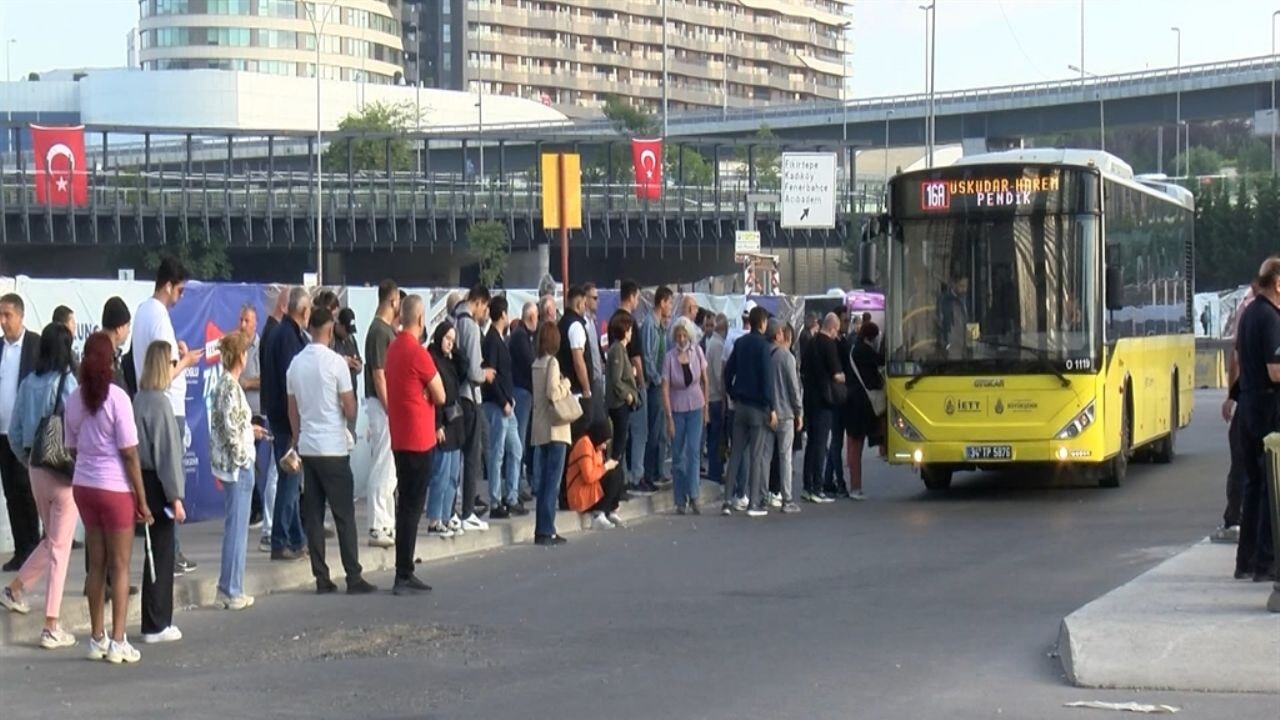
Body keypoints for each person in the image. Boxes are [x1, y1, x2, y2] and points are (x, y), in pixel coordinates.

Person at [66, 332, 153, 664]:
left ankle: (97, 637)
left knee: (97, 564)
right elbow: (130, 453)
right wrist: (141, 500)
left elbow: (71, 448)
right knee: (120, 567)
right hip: (115, 488)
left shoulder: (74, 399)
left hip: (84, 487)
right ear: (111, 362)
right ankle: (119, 641)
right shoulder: (118, 398)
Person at [0, 323, 79, 648]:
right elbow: (78, 426)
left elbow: (16, 433)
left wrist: (29, 460)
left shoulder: (28, 382)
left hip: (35, 468)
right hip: (62, 471)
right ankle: (50, 624)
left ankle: (15, 589)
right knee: (60, 547)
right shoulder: (68, 382)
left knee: (52, 540)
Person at [287, 307, 376, 595]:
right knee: (343, 514)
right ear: (329, 330)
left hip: (309, 448)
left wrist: (297, 437)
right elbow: (350, 406)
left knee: (313, 514)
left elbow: (292, 411)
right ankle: (353, 575)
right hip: (334, 447)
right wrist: (341, 409)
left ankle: (321, 577)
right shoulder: (337, 363)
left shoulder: (295, 365)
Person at [131, 257, 202, 576]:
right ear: (169, 285)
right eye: (181, 290)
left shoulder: (144, 311)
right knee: (170, 481)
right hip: (166, 406)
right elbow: (165, 371)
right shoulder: (158, 317)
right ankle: (169, 552)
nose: (181, 297)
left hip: (152, 402)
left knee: (158, 481)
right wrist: (186, 360)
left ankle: (168, 551)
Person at [385, 295, 446, 595]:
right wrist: (426, 392)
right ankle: (404, 572)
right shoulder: (418, 353)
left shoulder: (393, 349)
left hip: (399, 436)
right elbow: (441, 394)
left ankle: (403, 568)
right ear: (421, 320)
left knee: (404, 505)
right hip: (419, 437)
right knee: (412, 506)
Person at [133, 340, 187, 644]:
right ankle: (158, 623)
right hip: (159, 484)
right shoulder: (161, 404)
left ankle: (152, 620)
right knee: (162, 554)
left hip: (141, 480)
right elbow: (168, 455)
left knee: (151, 553)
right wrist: (175, 497)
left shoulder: (139, 399)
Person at [1232, 257, 1280, 583]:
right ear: (1277, 284)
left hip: (1248, 406)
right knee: (1270, 488)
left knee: (1251, 486)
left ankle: (1245, 560)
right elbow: (1275, 370)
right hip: (1268, 408)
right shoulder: (1271, 318)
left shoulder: (1248, 314)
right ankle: (1265, 563)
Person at [210, 331, 262, 611]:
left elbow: (233, 425)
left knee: (235, 528)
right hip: (238, 467)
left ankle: (228, 587)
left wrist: (249, 430)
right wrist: (245, 459)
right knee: (237, 531)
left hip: (233, 465)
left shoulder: (224, 385)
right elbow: (231, 432)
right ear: (240, 356)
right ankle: (232, 588)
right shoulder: (230, 387)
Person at [262, 287, 311, 561]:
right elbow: (291, 383)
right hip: (286, 419)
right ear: (303, 311)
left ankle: (296, 538)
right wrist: (296, 426)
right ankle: (280, 540)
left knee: (291, 478)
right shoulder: (289, 338)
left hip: (279, 416)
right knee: (289, 481)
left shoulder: (280, 333)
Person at [0, 293, 43, 571]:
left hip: (25, 433)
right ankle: (20, 548)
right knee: (11, 493)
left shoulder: (35, 345)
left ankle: (33, 548)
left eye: (8, 316)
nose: (4, 322)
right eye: (1, 316)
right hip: (2, 433)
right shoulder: (0, 348)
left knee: (26, 489)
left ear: (21, 316)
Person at [723, 306, 776, 517]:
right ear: (762, 323)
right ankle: (753, 503)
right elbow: (766, 379)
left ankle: (727, 500)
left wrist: (732, 393)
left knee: (735, 454)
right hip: (757, 407)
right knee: (756, 455)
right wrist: (771, 407)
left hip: (740, 405)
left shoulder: (740, 342)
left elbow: (728, 371)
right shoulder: (764, 346)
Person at [1215, 287, 1256, 544]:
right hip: (1255, 399)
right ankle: (1236, 518)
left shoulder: (1250, 308)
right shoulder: (1252, 308)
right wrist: (1232, 395)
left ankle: (1237, 518)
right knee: (1245, 462)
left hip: (1250, 397)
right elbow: (1239, 358)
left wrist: (1232, 395)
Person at [454, 285, 496, 532]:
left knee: (463, 454)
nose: (485, 313)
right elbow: (473, 370)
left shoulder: (454, 319)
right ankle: (468, 510)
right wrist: (485, 374)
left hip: (459, 394)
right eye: (485, 307)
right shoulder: (469, 326)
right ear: (478, 302)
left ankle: (463, 508)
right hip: (469, 395)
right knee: (472, 454)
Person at [364, 280, 400, 549]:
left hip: (387, 405)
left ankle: (387, 522)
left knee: (390, 468)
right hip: (381, 406)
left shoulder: (386, 330)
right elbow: (378, 374)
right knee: (381, 465)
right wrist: (391, 407)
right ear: (393, 300)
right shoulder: (378, 331)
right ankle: (377, 525)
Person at [531, 321, 575, 540]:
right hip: (556, 427)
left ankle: (541, 527)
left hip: (540, 426)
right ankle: (548, 529)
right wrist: (565, 384)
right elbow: (553, 393)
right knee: (553, 481)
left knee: (544, 481)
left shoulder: (536, 363)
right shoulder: (553, 363)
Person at [483, 295, 525, 519]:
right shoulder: (491, 340)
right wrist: (503, 400)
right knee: (497, 452)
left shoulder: (499, 338)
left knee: (515, 449)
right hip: (498, 405)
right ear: (503, 315)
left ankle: (511, 495)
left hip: (508, 403)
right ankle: (496, 500)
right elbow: (491, 375)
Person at [662, 317, 708, 515]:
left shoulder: (697, 352)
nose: (681, 339)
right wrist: (669, 417)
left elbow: (706, 380)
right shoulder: (669, 357)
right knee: (678, 455)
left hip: (696, 406)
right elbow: (665, 388)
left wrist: (706, 409)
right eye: (678, 336)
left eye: (684, 335)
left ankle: (695, 495)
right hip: (677, 408)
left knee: (693, 452)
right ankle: (680, 499)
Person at [425, 322, 464, 538]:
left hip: (455, 421)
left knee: (452, 475)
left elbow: (464, 367)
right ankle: (434, 518)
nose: (450, 343)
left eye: (453, 339)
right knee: (440, 473)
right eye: (447, 338)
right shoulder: (432, 358)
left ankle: (447, 515)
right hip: (442, 422)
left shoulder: (449, 359)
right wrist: (437, 424)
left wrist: (454, 349)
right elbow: (434, 395)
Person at [801, 313, 843, 504]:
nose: (837, 334)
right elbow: (836, 374)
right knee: (820, 444)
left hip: (809, 398)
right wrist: (843, 377)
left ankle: (807, 486)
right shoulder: (829, 345)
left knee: (811, 444)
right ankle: (818, 488)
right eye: (837, 330)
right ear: (833, 328)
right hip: (824, 400)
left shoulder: (811, 343)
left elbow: (804, 370)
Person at [844, 322, 885, 502]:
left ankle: (854, 486)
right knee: (856, 448)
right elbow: (881, 363)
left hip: (851, 402)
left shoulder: (854, 349)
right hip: (861, 405)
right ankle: (856, 487)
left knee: (853, 446)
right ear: (871, 337)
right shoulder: (866, 351)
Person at [767, 321, 803, 513]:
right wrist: (799, 412)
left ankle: (763, 495)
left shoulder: (765, 354)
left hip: (768, 413)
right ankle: (786, 498)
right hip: (786, 413)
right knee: (785, 457)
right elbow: (794, 388)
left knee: (765, 457)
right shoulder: (786, 357)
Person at [565, 419, 627, 533]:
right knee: (611, 476)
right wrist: (606, 467)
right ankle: (598, 514)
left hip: (589, 488)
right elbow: (589, 476)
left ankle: (611, 510)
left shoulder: (596, 446)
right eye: (604, 443)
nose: (604, 447)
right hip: (579, 494)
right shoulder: (584, 444)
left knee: (618, 472)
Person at [616, 281, 648, 493]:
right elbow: (635, 356)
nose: (637, 301)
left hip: (618, 385)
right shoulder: (630, 322)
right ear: (632, 296)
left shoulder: (613, 321)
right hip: (633, 383)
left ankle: (624, 475)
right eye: (637, 297)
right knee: (639, 431)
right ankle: (637, 475)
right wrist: (642, 382)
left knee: (623, 433)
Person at [642, 286, 675, 489]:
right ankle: (650, 472)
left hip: (662, 383)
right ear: (662, 302)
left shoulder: (661, 327)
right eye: (670, 302)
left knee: (662, 430)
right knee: (653, 430)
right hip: (655, 385)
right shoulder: (649, 324)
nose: (670, 307)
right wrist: (657, 379)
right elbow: (647, 356)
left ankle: (659, 470)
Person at [559, 285, 598, 436]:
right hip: (577, 392)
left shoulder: (561, 323)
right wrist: (586, 389)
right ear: (578, 304)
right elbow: (578, 360)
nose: (585, 307)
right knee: (580, 433)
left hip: (565, 389)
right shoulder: (576, 326)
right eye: (584, 303)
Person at [509, 302, 538, 495]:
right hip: (521, 391)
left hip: (521, 390)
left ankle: (517, 482)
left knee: (521, 438)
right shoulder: (521, 336)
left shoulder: (520, 335)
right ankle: (516, 484)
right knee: (519, 438)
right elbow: (530, 363)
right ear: (531, 318)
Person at [605, 310, 639, 467]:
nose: (631, 333)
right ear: (625, 331)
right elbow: (616, 379)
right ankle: (614, 479)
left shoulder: (620, 349)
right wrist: (628, 396)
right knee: (618, 444)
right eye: (630, 330)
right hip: (619, 404)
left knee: (621, 442)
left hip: (621, 403)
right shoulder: (618, 349)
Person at [704, 314, 728, 486]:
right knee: (718, 437)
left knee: (713, 437)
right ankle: (716, 472)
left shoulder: (711, 343)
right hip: (717, 398)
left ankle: (715, 470)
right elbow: (720, 375)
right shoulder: (719, 345)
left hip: (710, 397)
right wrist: (725, 396)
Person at [334, 308, 362, 437]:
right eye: (346, 330)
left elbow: (360, 362)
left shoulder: (351, 339)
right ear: (339, 325)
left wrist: (357, 365)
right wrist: (344, 362)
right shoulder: (331, 339)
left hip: (351, 397)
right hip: (336, 400)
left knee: (350, 438)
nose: (348, 334)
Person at [101, 297, 132, 389]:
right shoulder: (106, 359)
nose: (129, 331)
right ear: (119, 329)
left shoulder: (98, 352)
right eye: (127, 326)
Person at [583, 283, 607, 403]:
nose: (598, 301)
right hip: (591, 377)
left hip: (596, 376)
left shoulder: (591, 321)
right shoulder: (584, 323)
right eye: (595, 298)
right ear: (585, 300)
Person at [938, 273, 970, 359]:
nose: (965, 289)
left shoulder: (965, 300)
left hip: (963, 345)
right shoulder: (946, 301)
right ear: (954, 285)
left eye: (966, 286)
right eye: (961, 286)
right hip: (951, 347)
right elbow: (944, 324)